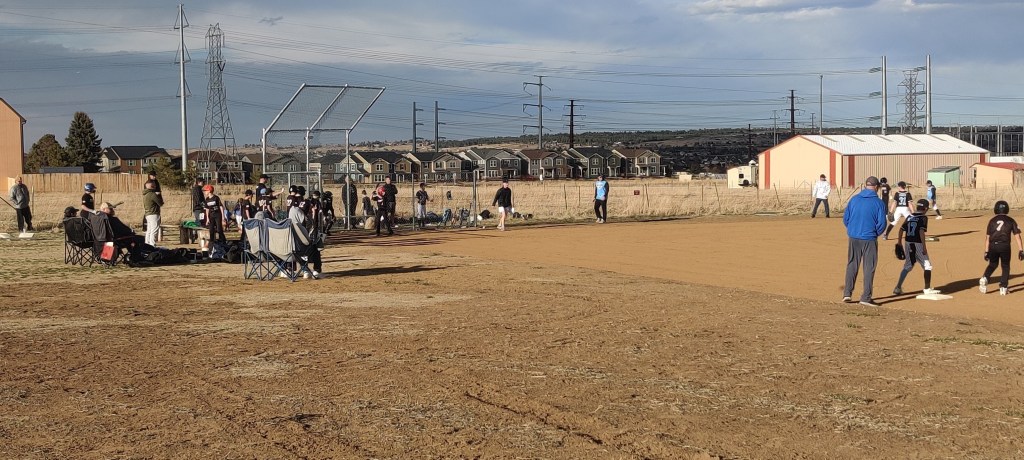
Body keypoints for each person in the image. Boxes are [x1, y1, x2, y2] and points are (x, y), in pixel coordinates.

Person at [842, 176, 888, 307]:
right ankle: (865, 297)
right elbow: (882, 224)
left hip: (853, 237)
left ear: (865, 185)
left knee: (852, 264)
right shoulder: (879, 203)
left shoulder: (854, 199)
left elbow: (846, 219)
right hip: (869, 239)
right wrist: (874, 233)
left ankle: (847, 293)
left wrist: (853, 229)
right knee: (869, 267)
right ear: (876, 187)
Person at [894, 199, 940, 296]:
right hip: (917, 244)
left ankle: (898, 287)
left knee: (908, 266)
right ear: (926, 208)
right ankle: (927, 289)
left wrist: (899, 243)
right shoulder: (923, 217)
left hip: (907, 243)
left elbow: (901, 230)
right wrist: (924, 247)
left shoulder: (909, 216)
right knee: (927, 266)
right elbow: (921, 232)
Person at [979, 200, 1024, 296]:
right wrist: (1021, 250)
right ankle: (1003, 287)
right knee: (1005, 266)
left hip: (993, 245)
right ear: (1007, 209)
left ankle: (985, 278)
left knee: (992, 264)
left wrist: (986, 251)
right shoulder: (1011, 220)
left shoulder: (991, 221)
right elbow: (1017, 236)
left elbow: (987, 238)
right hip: (1005, 246)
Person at [142, 180, 163, 246]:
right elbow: (160, 203)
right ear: (152, 186)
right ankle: (152, 245)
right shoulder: (152, 195)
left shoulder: (145, 194)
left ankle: (147, 244)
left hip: (148, 214)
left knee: (149, 230)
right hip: (154, 214)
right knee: (154, 230)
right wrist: (159, 195)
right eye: (154, 185)